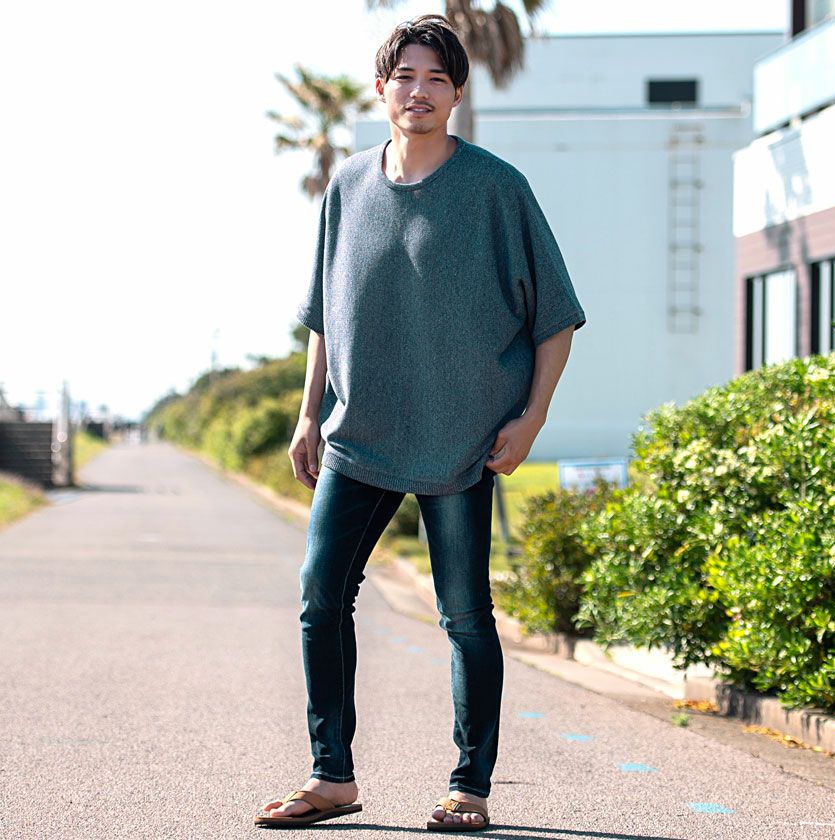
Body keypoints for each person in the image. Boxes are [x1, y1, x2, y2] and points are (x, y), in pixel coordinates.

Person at [255, 13, 586, 833]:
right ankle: (331, 777)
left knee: (465, 616)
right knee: (320, 597)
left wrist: (531, 419)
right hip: (357, 435)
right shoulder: (346, 187)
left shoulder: (496, 188)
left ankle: (469, 787)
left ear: (457, 93)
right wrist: (306, 413)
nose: (419, 91)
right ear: (382, 88)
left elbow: (556, 318)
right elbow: (325, 316)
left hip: (462, 440)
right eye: (405, 76)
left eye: (437, 78)